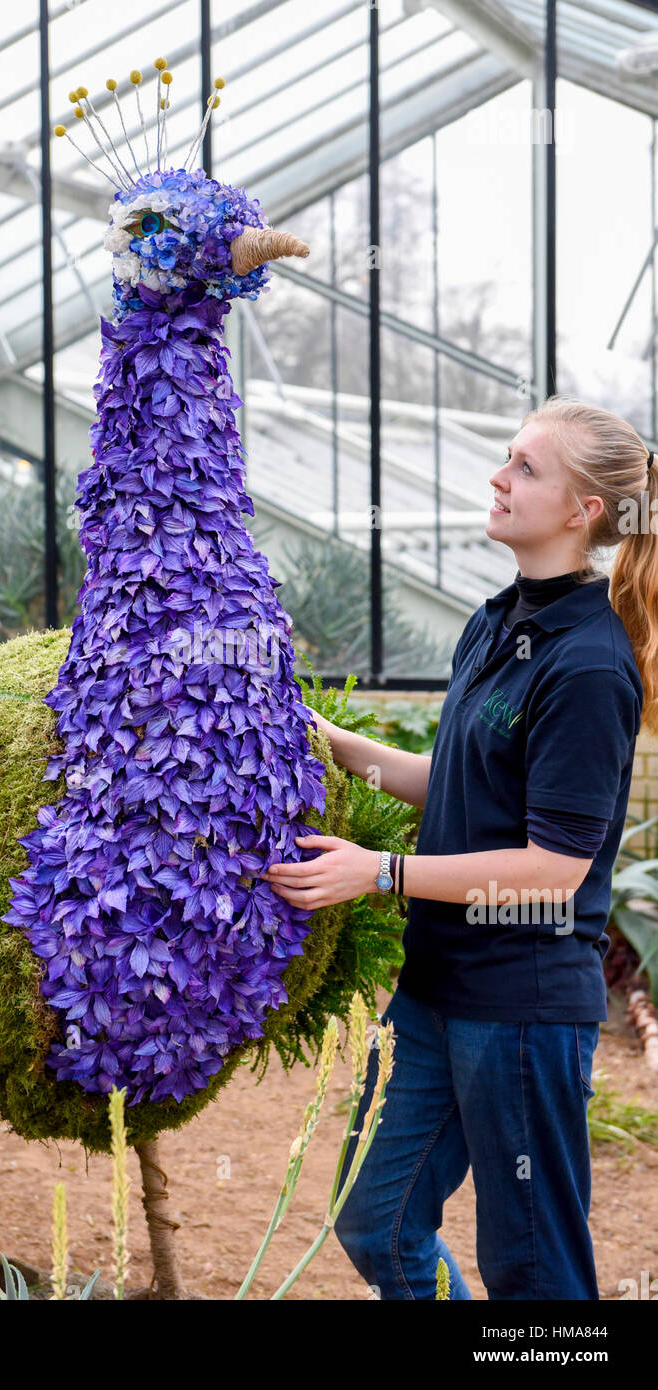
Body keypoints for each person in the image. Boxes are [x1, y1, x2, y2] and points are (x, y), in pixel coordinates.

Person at [259, 395, 658, 1300]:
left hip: (518, 1006)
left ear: (582, 511)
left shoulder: (590, 665)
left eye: (524, 466)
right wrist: (334, 743)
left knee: (531, 1267)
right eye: (505, 457)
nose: (497, 475)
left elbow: (555, 871)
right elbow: (465, 781)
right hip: (435, 991)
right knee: (374, 1220)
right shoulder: (496, 621)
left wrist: (380, 874)